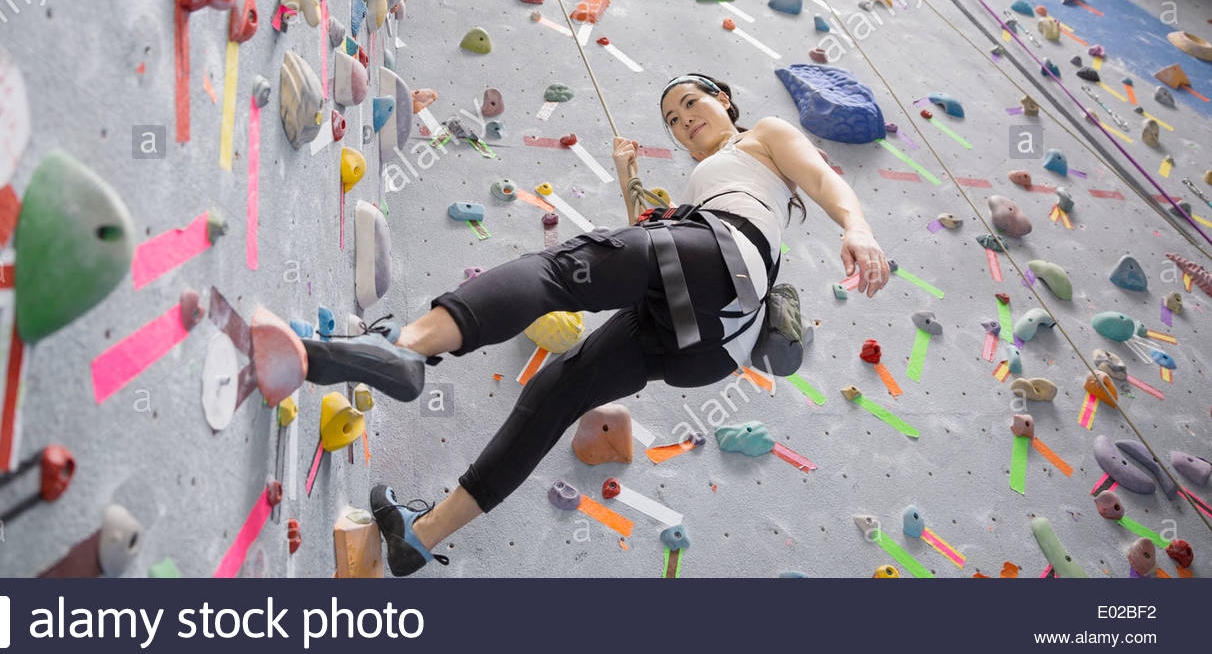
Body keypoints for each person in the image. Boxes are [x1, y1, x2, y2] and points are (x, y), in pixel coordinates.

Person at [300, 73, 890, 576]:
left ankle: (405, 346)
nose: (684, 119)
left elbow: (821, 178)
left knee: (557, 271)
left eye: (693, 103)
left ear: (726, 103)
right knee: (557, 391)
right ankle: (418, 538)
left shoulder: (763, 136)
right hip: (710, 343)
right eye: (672, 119)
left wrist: (856, 227)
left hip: (724, 264)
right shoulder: (701, 186)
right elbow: (656, 251)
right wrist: (625, 171)